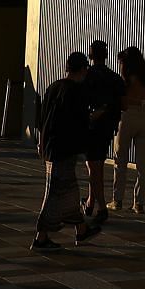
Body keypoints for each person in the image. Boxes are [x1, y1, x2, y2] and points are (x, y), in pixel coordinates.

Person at [33, 52, 97, 251]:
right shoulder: (75, 91)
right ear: (83, 69)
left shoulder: (54, 86)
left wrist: (41, 143)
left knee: (69, 191)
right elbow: (78, 122)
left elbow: (42, 117)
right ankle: (41, 237)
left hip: (51, 146)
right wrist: (94, 117)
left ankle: (81, 228)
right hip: (64, 148)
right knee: (55, 192)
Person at [81, 40, 123, 225]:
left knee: (93, 168)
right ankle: (90, 202)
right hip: (107, 128)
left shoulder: (87, 76)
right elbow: (121, 104)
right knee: (96, 165)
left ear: (90, 55)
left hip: (90, 127)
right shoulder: (114, 78)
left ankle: (102, 206)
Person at [111, 47, 145, 213]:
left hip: (128, 115)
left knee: (120, 161)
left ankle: (117, 200)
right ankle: (139, 203)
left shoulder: (126, 76)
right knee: (143, 165)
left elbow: (122, 100)